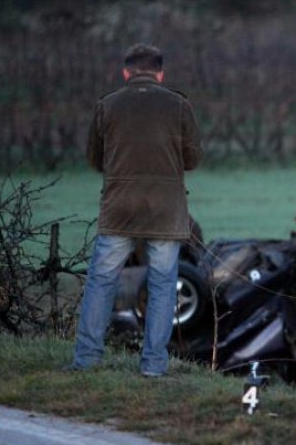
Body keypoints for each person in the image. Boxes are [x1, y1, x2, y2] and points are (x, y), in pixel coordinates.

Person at [69, 44, 203, 376]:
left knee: (101, 282)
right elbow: (194, 159)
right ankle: (154, 366)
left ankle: (86, 360)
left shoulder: (107, 105)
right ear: (160, 74)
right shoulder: (179, 105)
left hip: (119, 210)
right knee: (162, 284)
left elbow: (94, 160)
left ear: (125, 73)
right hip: (165, 212)